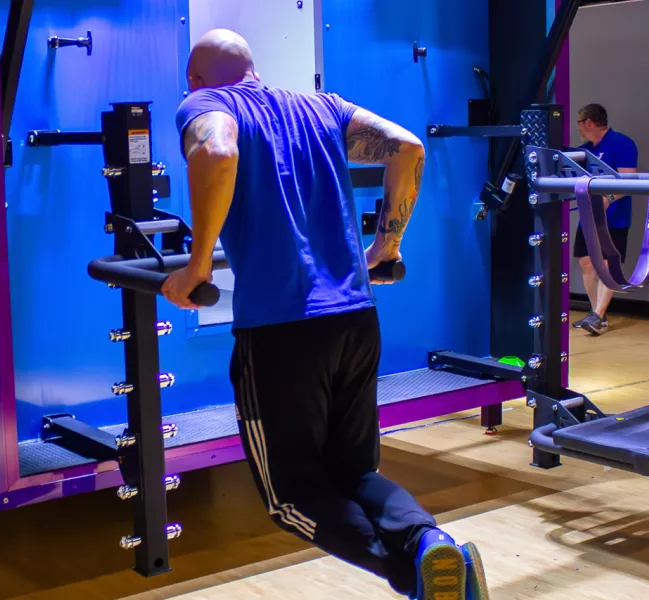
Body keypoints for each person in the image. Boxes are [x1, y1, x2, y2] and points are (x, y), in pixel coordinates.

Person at [161, 29, 489, 600]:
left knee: (291, 494)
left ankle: (414, 575)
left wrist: (196, 268)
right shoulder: (324, 108)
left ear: (195, 78)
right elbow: (408, 147)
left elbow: (217, 151)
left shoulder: (205, 104)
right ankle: (429, 545)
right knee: (355, 472)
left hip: (281, 331)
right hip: (356, 318)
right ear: (255, 68)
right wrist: (388, 244)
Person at [570, 104, 638, 336]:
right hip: (588, 219)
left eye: (579, 122)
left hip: (615, 219)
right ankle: (597, 313)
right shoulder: (583, 151)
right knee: (587, 263)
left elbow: (628, 181)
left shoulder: (622, 143)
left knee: (609, 265)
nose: (577, 127)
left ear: (589, 122)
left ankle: (598, 315)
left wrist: (609, 198)